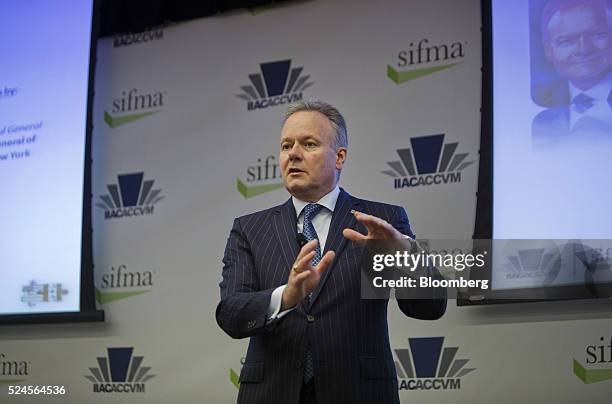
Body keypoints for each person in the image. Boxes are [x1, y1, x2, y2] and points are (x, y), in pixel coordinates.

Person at [216, 100, 446, 404]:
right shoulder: (249, 229)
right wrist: (286, 297)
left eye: (308, 144)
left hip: (359, 393)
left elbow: (429, 308)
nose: (293, 154)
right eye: (286, 146)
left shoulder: (382, 221)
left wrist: (406, 256)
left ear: (339, 157)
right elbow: (231, 314)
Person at [533, 0, 612, 146]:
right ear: (548, 50)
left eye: (597, 34)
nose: (584, 49)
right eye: (567, 41)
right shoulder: (541, 106)